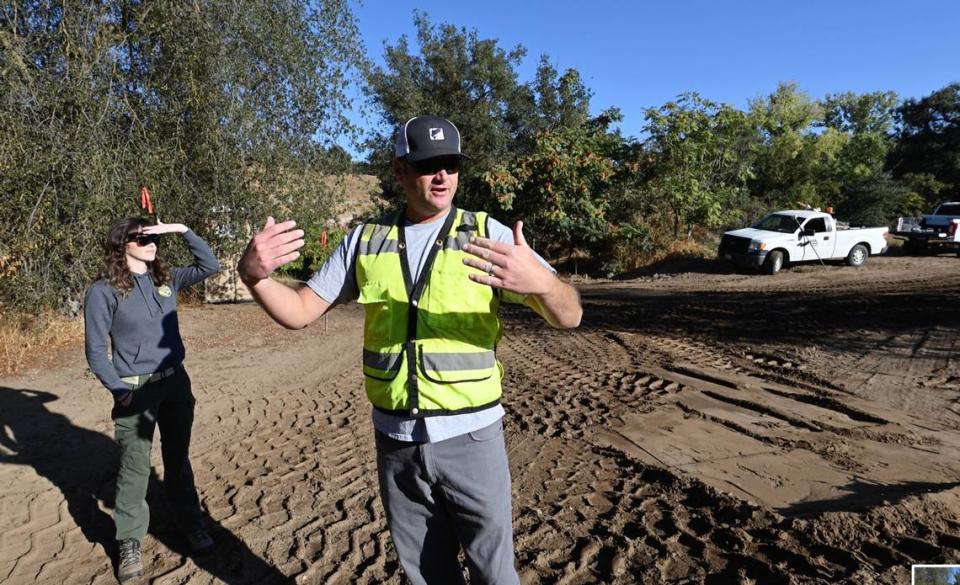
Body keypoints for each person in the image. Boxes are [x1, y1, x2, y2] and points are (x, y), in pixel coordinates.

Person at [238, 115, 582, 584]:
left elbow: (570, 315)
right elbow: (300, 310)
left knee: (494, 572)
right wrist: (255, 277)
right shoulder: (364, 240)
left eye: (451, 164)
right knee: (424, 574)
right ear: (400, 170)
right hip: (397, 442)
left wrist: (543, 282)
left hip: (472, 438)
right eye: (427, 165)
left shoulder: (488, 234)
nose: (442, 176)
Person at [84, 217, 220, 582]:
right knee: (135, 467)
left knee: (178, 461)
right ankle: (129, 541)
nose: (150, 241)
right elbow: (97, 352)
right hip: (135, 389)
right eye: (141, 237)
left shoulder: (167, 278)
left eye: (153, 236)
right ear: (121, 243)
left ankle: (191, 525)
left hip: (176, 383)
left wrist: (179, 229)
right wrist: (119, 389)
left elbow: (210, 265)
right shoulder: (104, 291)